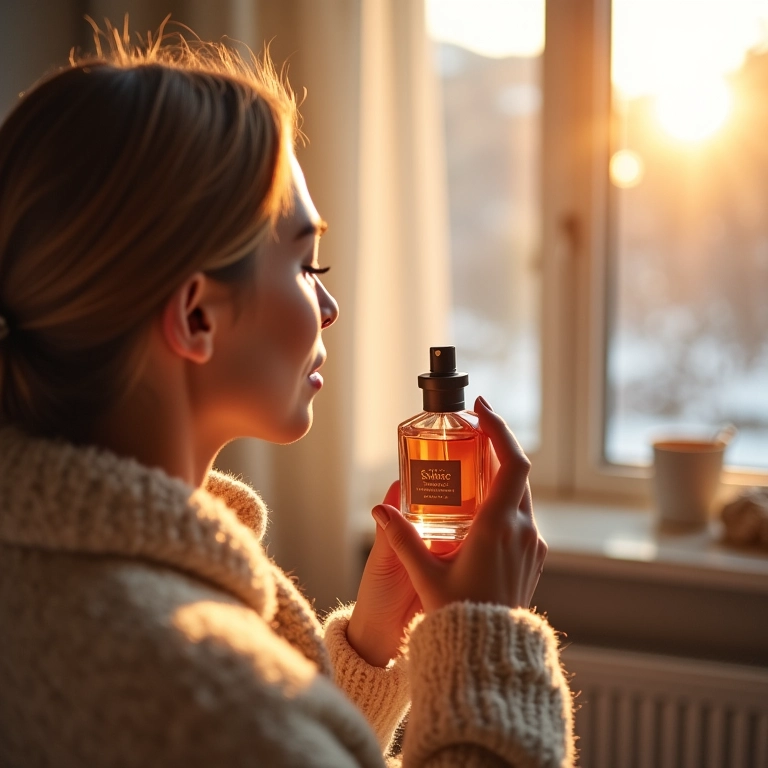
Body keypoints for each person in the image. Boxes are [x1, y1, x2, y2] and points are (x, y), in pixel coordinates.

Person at [0, 23, 575, 768]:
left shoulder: (56, 573)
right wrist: (486, 639)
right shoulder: (196, 681)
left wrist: (369, 649)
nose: (328, 309)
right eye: (307, 263)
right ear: (197, 315)